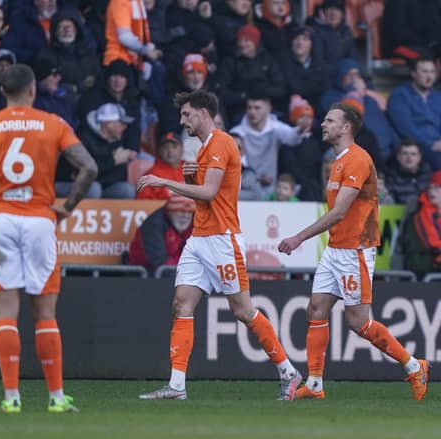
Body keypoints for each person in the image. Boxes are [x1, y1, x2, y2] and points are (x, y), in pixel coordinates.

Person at [0, 63, 98, 414]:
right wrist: (68, 206)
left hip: (0, 219)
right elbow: (89, 167)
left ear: (2, 93)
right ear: (32, 91)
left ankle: (11, 397)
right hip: (39, 220)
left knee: (6, 311)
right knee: (44, 313)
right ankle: (56, 398)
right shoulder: (53, 124)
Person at [136, 89, 302, 401]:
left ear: (202, 113)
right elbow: (210, 190)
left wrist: (166, 181)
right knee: (181, 304)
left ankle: (289, 372)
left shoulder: (221, 142)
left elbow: (211, 193)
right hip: (199, 239)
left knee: (243, 310)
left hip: (222, 239)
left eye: (187, 114)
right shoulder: (204, 149)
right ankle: (176, 385)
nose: (182, 119)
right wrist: (192, 177)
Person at [278, 103, 430, 401]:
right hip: (336, 249)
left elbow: (339, 212)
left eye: (329, 120)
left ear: (346, 127)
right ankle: (316, 384)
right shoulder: (337, 161)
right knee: (316, 308)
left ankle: (414, 365)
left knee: (358, 322)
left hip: (355, 251)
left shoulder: (358, 160)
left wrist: (299, 237)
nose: (323, 124)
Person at [128, 193, 194, 275]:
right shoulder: (153, 225)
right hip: (145, 275)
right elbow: (160, 263)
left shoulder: (195, 224)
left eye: (189, 212)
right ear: (170, 211)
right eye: (180, 211)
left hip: (180, 272)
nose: (185, 216)